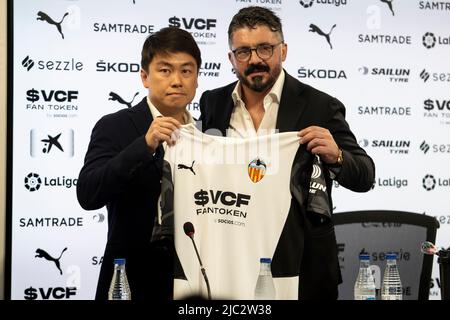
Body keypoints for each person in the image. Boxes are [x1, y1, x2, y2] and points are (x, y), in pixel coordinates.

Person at [199, 6, 375, 299]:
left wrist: (337, 157)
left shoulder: (320, 106)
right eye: (243, 52)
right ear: (231, 58)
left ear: (283, 50)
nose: (255, 59)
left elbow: (366, 175)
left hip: (304, 263)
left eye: (265, 49)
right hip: (230, 260)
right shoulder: (212, 103)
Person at [76, 27, 201, 300]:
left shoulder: (209, 135)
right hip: (130, 280)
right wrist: (144, 144)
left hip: (195, 281)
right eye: (165, 70)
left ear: (197, 79)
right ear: (145, 76)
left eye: (186, 71)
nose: (177, 81)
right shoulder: (115, 126)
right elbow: (88, 193)